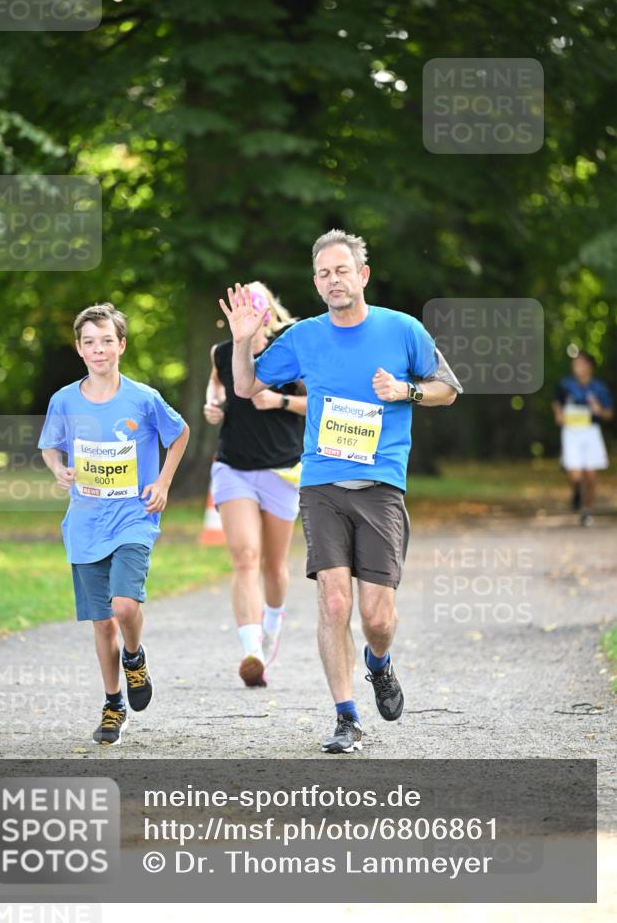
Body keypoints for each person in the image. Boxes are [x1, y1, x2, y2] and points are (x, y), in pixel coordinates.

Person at [219, 230, 462, 753]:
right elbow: (245, 386)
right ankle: (346, 717)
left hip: (381, 486)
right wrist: (241, 341)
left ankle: (379, 661)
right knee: (333, 600)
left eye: (342, 271)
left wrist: (406, 390)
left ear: (363, 275)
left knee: (377, 617)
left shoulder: (403, 329)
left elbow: (447, 388)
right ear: (316, 283)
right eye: (324, 274)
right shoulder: (304, 337)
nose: (334, 280)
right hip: (322, 483)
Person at [39, 303, 189, 745]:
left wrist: (163, 482)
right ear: (79, 349)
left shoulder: (143, 398)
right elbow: (50, 446)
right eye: (89, 342)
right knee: (103, 622)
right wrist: (58, 469)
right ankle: (112, 704)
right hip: (85, 524)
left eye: (106, 340)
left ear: (121, 345)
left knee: (124, 607)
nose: (98, 349)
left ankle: (134, 657)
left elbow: (179, 433)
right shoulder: (64, 400)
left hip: (133, 518)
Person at [204, 282, 306, 687]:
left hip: (282, 470)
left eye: (255, 311)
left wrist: (280, 401)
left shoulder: (288, 351)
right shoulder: (222, 352)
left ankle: (271, 627)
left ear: (266, 315)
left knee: (274, 567)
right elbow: (217, 383)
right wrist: (213, 404)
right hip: (234, 467)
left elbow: (319, 402)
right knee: (245, 557)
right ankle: (252, 651)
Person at [552, 350, 613, 526]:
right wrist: (558, 414)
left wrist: (599, 410)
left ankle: (587, 511)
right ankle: (577, 491)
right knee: (575, 473)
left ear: (590, 367)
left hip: (590, 431)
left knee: (591, 474)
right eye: (575, 364)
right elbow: (556, 403)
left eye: (580, 364)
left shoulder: (599, 388)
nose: (576, 367)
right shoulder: (566, 385)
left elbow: (609, 413)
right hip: (571, 431)